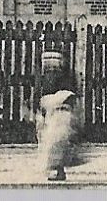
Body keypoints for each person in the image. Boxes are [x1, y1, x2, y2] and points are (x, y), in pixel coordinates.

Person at [34, 50, 80, 182]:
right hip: (54, 114)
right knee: (53, 143)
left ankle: (58, 169)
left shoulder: (62, 82)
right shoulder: (47, 82)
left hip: (59, 114)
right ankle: (57, 169)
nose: (51, 71)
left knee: (56, 142)